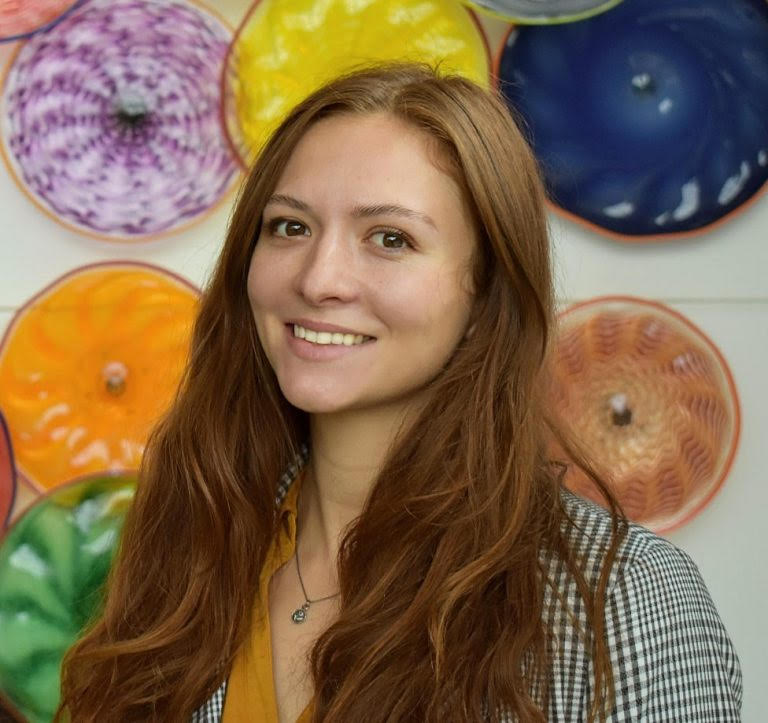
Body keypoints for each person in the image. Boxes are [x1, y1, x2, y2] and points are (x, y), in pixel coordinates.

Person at [56, 63, 742, 722]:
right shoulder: (193, 540)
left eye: (390, 238)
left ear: (485, 292)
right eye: (290, 226)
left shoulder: (622, 597)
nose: (320, 278)